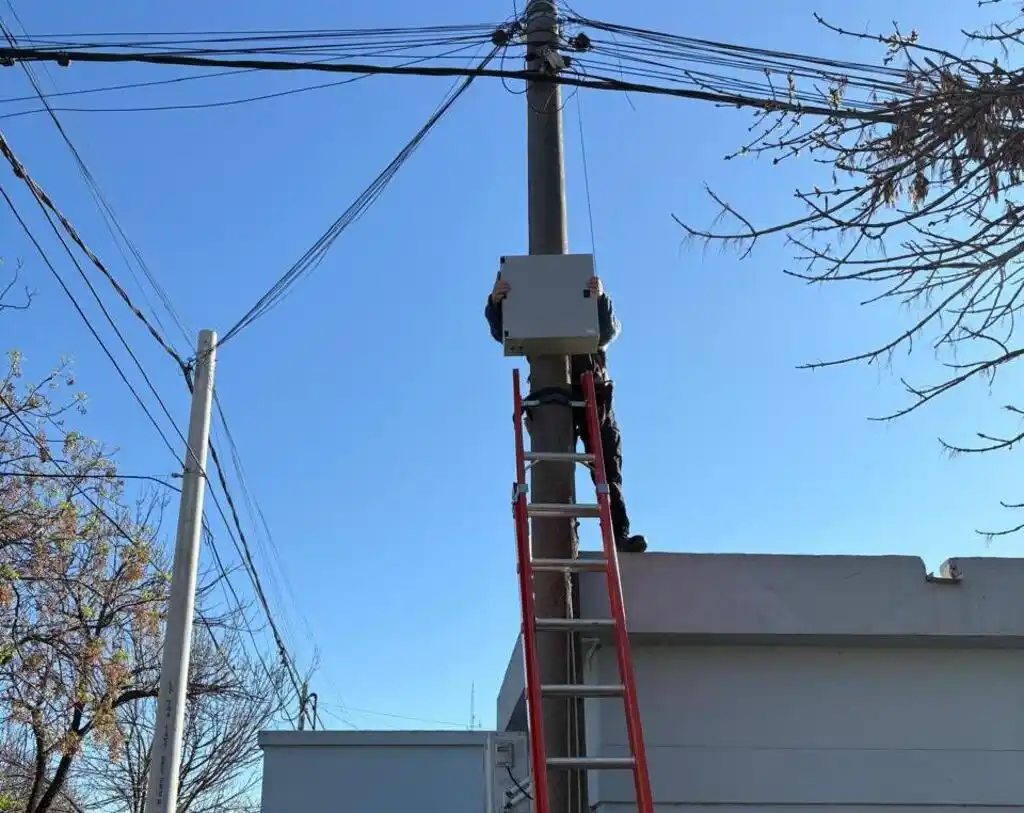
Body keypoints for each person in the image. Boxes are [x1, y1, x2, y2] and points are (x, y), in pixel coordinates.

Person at [485, 272, 647, 553]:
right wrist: (497, 304)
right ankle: (565, 545)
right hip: (552, 395)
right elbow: (505, 332)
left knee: (608, 470)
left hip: (593, 393)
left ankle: (618, 537)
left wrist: (600, 299)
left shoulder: (585, 294)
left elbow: (608, 331)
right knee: (557, 472)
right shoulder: (532, 303)